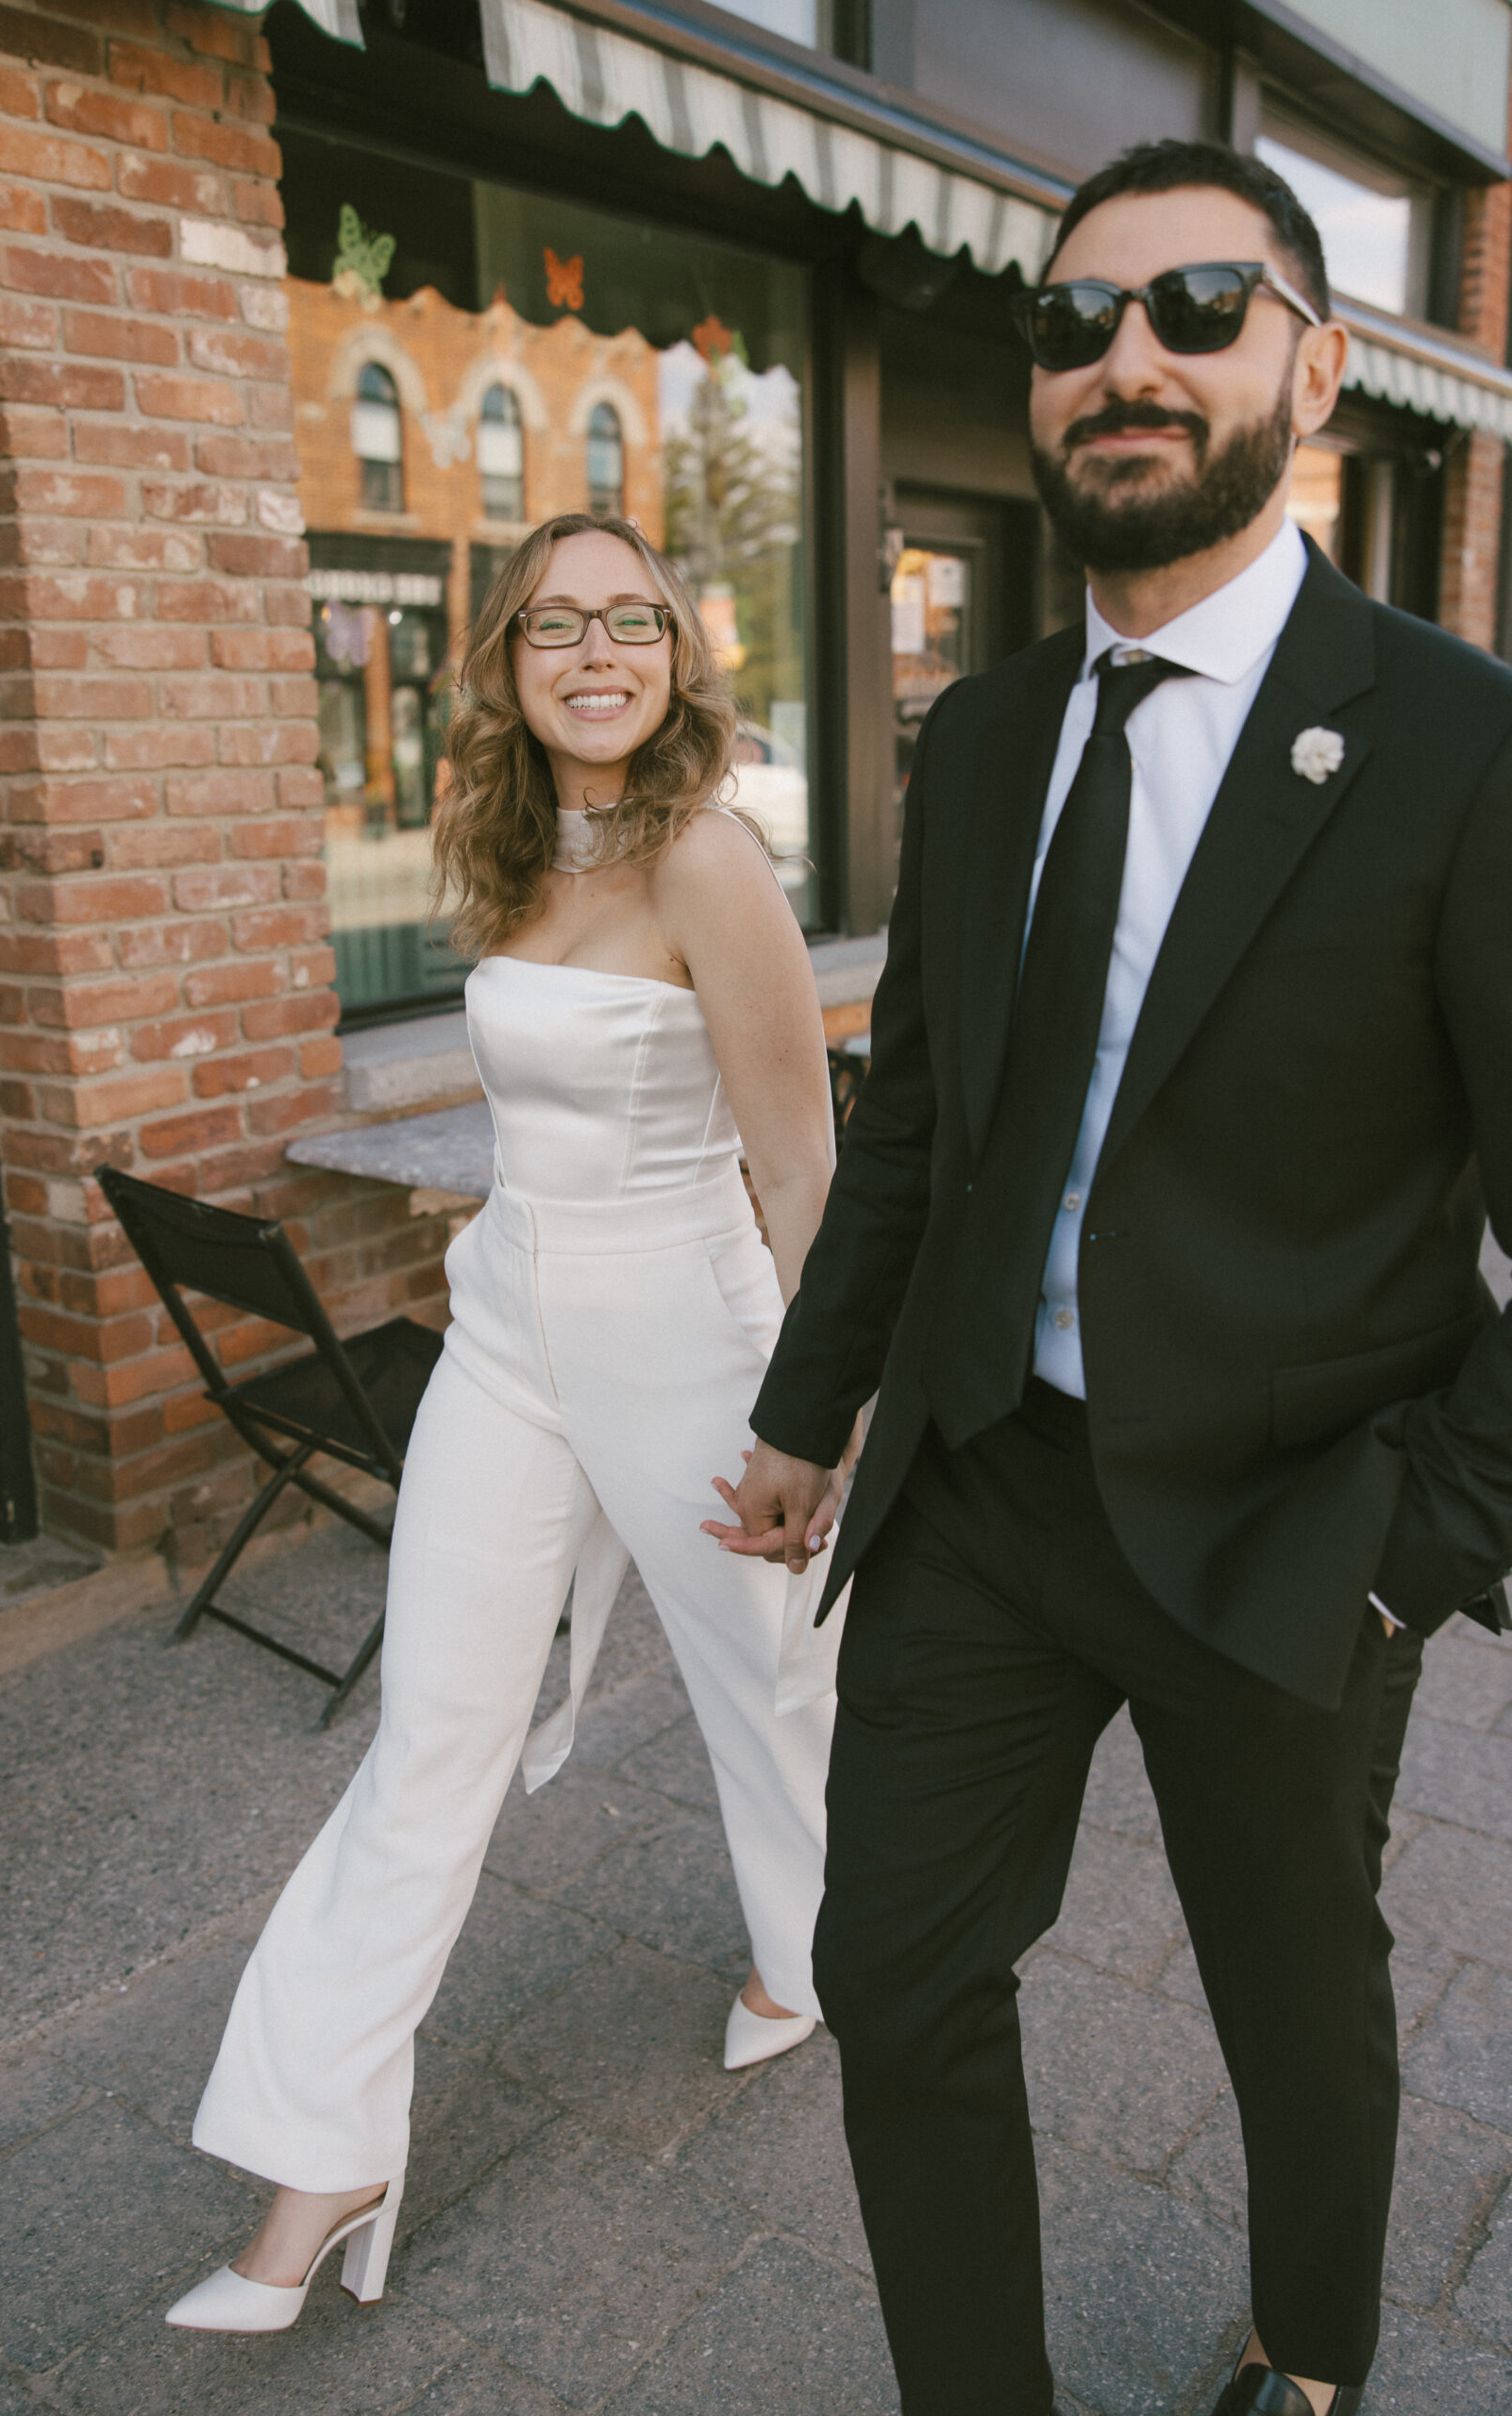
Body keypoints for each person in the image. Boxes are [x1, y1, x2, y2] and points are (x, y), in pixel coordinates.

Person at [709, 141, 1512, 2416]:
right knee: (893, 1966)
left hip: (1280, 1515)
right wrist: (804, 1415)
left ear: (1317, 366)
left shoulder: (1460, 746)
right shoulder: (973, 736)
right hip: (981, 1483)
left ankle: (1318, 2348)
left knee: (1288, 1989)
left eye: (1192, 307)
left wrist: (1403, 1550)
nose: (1122, 360)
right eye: (1072, 324)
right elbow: (925, 1134)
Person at [166, 512, 848, 2335]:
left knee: (768, 1677)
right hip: (506, 1329)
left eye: (635, 620)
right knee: (429, 1734)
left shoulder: (711, 861)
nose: (599, 652)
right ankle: (327, 2148)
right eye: (559, 626)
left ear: (680, 657)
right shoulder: (516, 843)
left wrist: (824, 1415)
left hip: (693, 1335)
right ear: (510, 664)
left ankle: (811, 1961)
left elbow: (801, 1163)